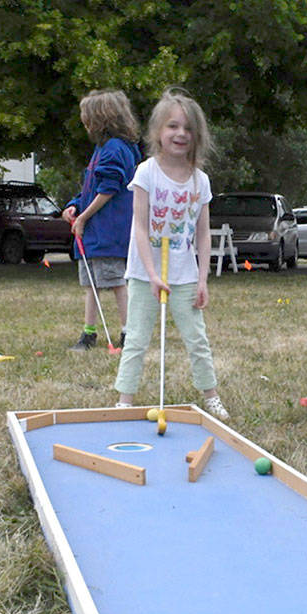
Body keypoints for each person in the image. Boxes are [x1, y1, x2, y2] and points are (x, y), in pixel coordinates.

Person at [113, 89, 229, 421]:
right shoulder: (147, 172)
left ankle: (211, 395)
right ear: (157, 132)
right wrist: (151, 274)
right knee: (136, 336)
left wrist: (203, 279)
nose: (180, 134)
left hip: (184, 274)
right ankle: (125, 398)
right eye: (172, 126)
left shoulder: (199, 180)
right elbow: (139, 227)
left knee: (197, 338)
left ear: (197, 136)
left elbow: (203, 233)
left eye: (188, 128)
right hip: (144, 272)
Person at [63, 90, 141, 351]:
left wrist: (84, 218)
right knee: (91, 284)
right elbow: (91, 187)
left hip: (108, 231)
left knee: (116, 282)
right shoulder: (102, 149)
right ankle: (88, 333)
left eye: (86, 118)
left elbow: (108, 189)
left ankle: (129, 334)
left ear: (101, 119)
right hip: (93, 233)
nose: (83, 123)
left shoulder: (117, 149)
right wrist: (74, 206)